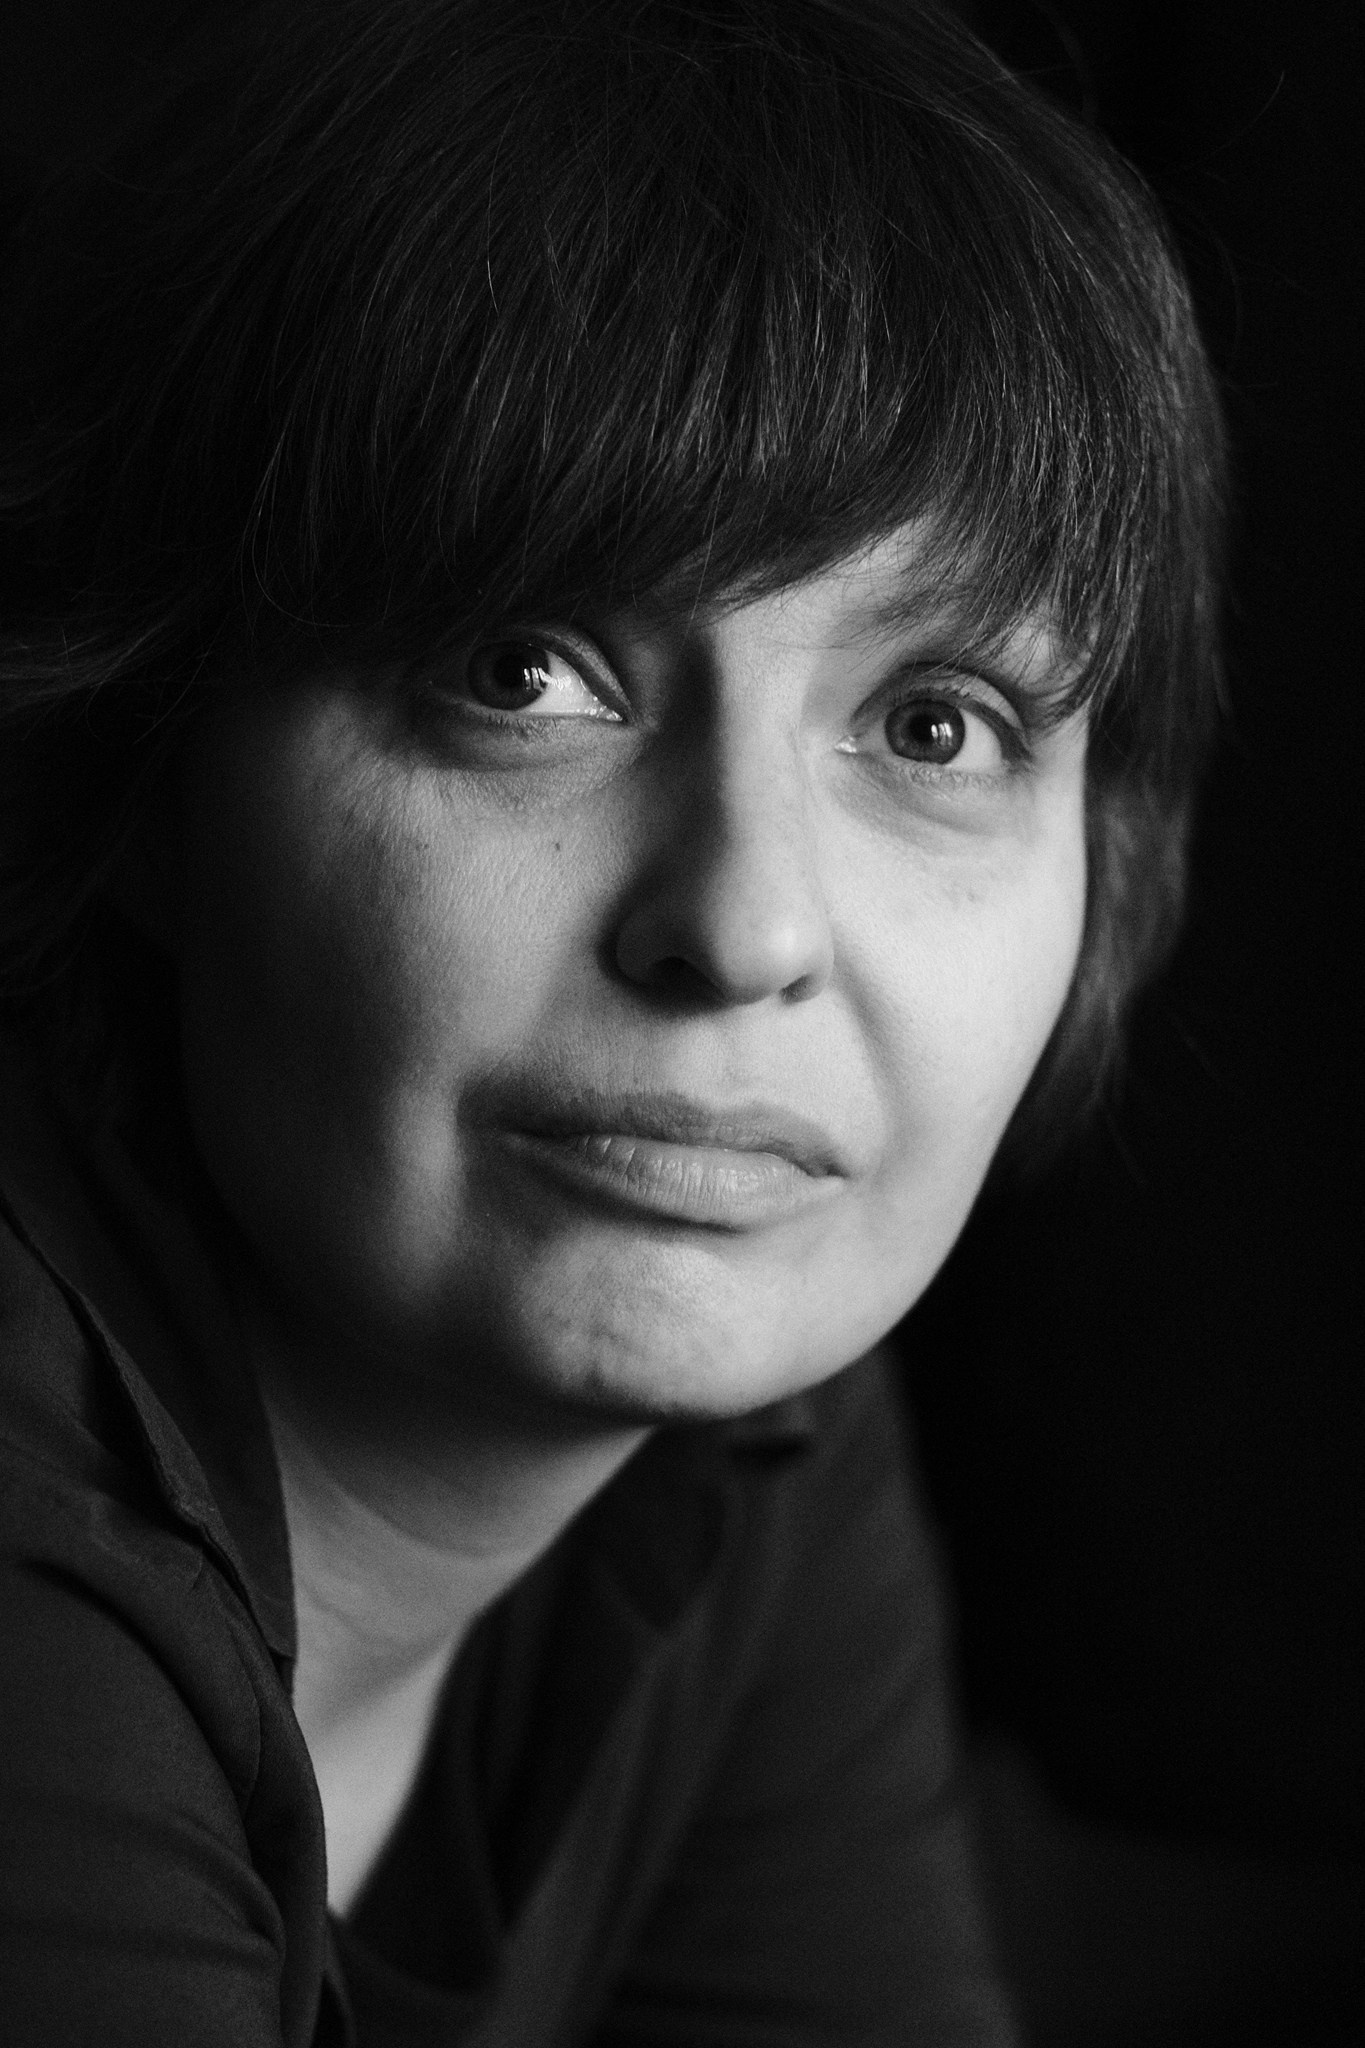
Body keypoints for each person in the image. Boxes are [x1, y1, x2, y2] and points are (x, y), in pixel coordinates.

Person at [0, 1, 1224, 2041]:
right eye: (524, 674)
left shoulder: (742, 1431)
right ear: (145, 767)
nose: (741, 926)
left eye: (936, 726)